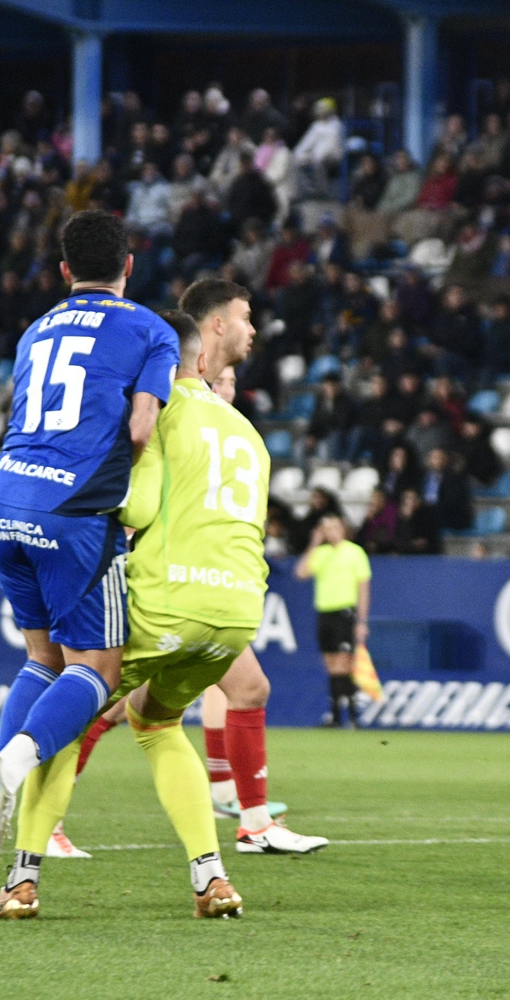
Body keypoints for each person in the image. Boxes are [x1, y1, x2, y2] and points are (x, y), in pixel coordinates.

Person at [52, 280, 325, 860]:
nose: (254, 330)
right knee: (102, 699)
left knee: (246, 688)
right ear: (213, 331)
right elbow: (134, 483)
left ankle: (252, 823)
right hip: (155, 579)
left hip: (202, 587)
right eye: (246, 317)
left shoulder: (216, 416)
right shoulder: (164, 395)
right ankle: (38, 809)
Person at [0, 211, 180, 897]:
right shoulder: (151, 330)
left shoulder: (36, 329)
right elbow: (142, 426)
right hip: (74, 509)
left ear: (63, 271)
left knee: (40, 657)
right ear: (130, 264)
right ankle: (8, 770)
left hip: (3, 496)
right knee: (99, 669)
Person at [295, 511, 372, 727]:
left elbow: (364, 588)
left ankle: (353, 714)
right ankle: (337, 715)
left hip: (345, 612)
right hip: (325, 612)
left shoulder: (355, 552)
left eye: (335, 527)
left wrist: (362, 621)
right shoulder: (320, 553)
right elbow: (301, 573)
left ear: (343, 529)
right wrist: (313, 543)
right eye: (327, 529)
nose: (332, 532)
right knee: (330, 664)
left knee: (345, 663)